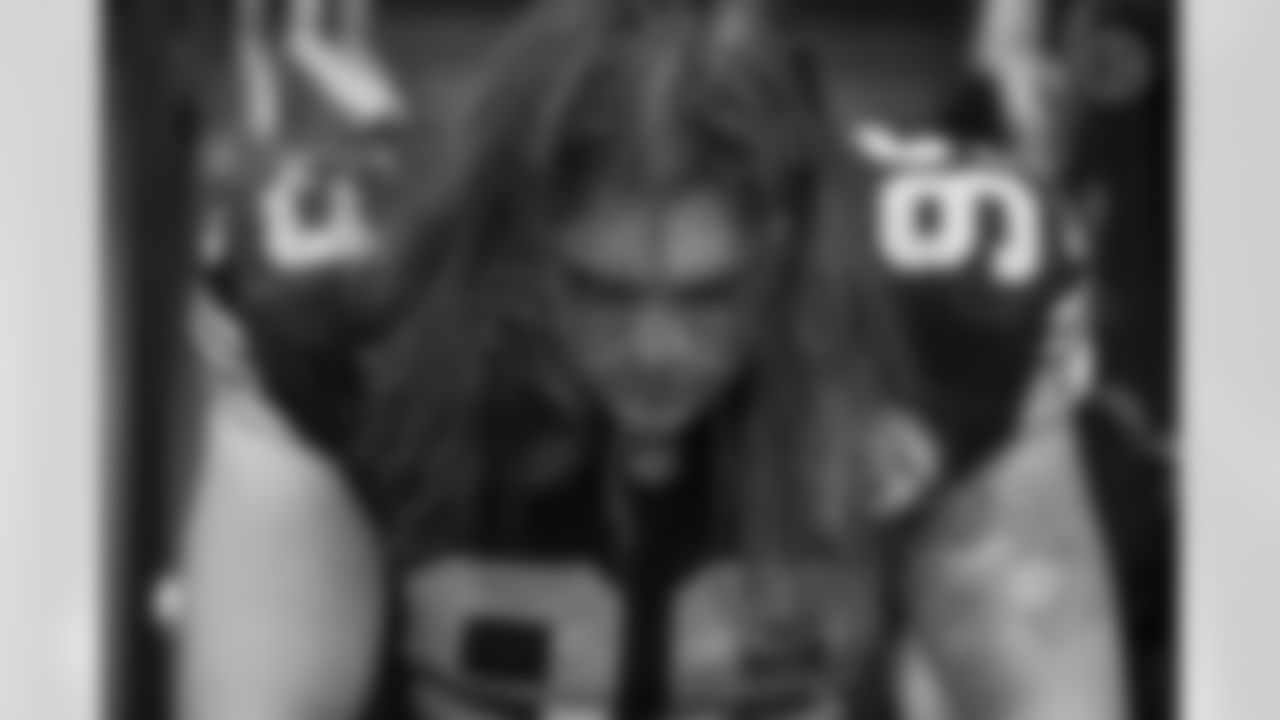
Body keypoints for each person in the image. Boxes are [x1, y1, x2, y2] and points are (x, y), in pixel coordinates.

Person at [174, 1, 1127, 719]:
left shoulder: (946, 299)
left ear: (795, 249)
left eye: (712, 294)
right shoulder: (344, 295)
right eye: (599, 290)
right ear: (511, 247)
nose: (656, 350)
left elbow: (1041, 690)